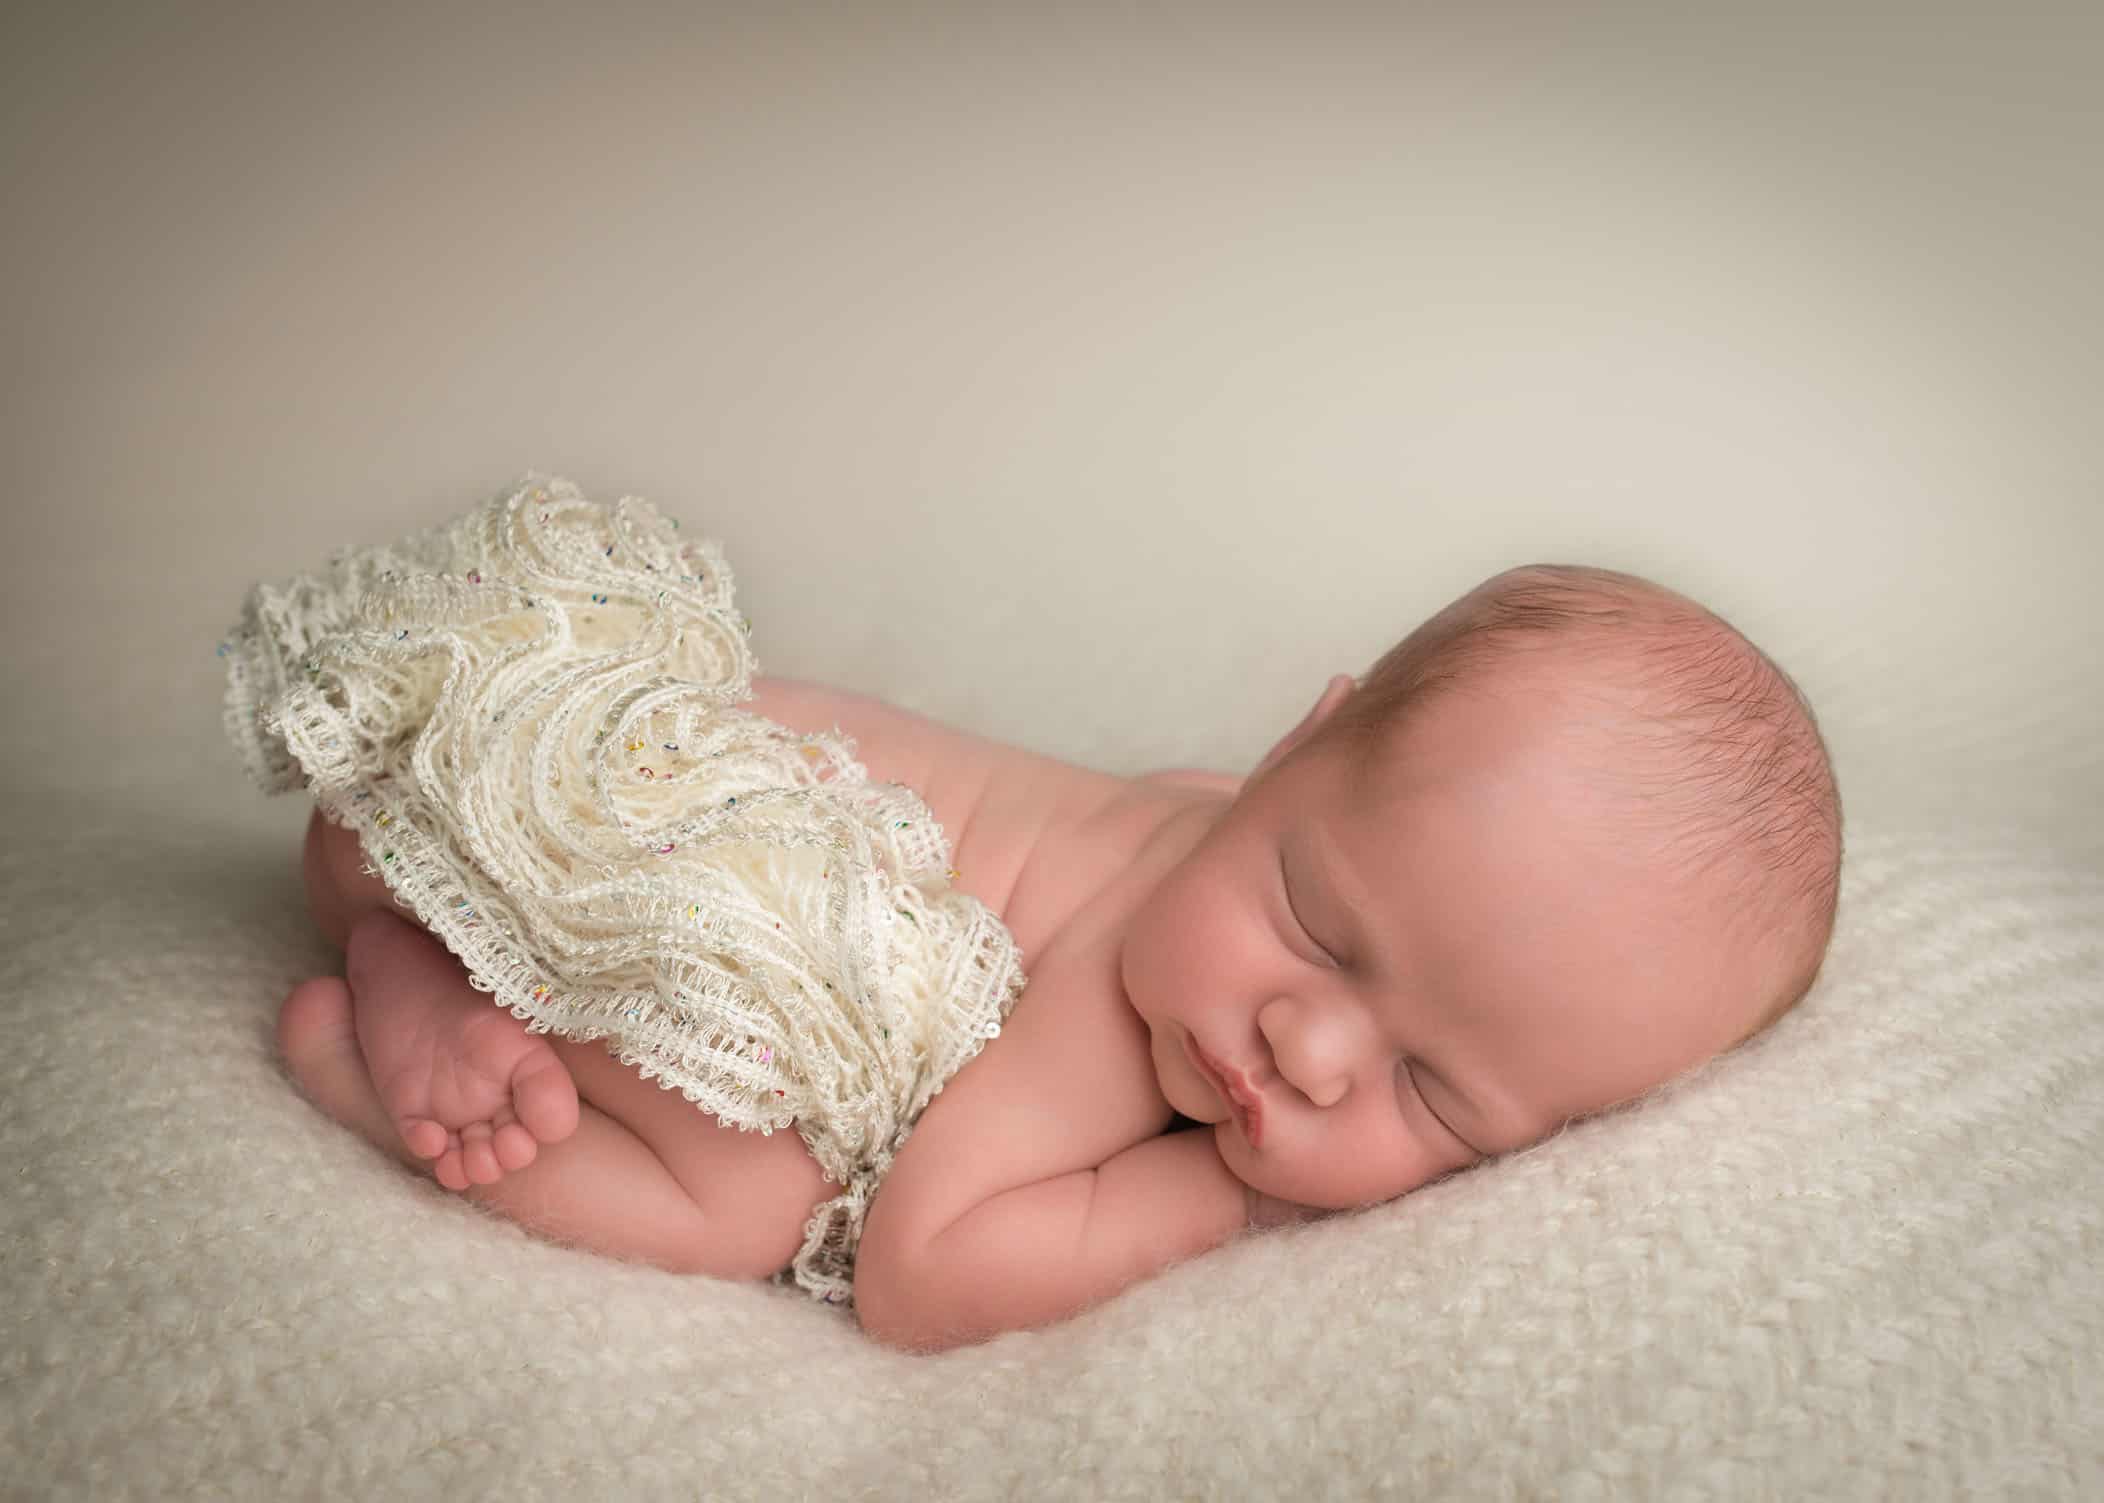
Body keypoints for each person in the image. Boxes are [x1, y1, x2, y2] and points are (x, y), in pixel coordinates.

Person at [242, 476, 1842, 1353]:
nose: (1309, 1049)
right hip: (617, 873)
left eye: (1434, 1093)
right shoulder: (1106, 1012)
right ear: (1295, 744)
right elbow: (922, 1270)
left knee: (409, 879)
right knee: (751, 1202)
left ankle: (406, 936)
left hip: (539, 750)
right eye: (1318, 931)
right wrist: (1234, 1207)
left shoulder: (1220, 815)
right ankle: (375, 1038)